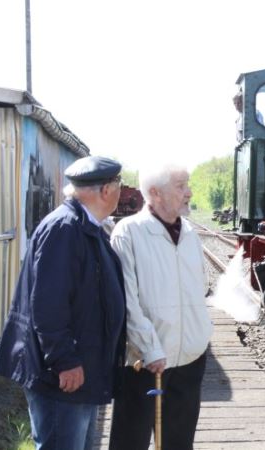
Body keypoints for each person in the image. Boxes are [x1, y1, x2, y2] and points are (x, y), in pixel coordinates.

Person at [0, 156, 127, 450]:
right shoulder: (64, 229)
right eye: (119, 183)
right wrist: (64, 360)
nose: (122, 189)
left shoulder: (86, 226)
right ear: (106, 190)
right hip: (63, 376)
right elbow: (47, 304)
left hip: (83, 370)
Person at [109, 164, 213, 450]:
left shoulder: (190, 233)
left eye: (187, 184)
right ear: (155, 193)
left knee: (179, 443)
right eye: (181, 186)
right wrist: (149, 348)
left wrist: (201, 334)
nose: (189, 192)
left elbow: (199, 288)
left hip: (189, 358)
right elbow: (126, 301)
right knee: (130, 442)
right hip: (144, 362)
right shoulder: (129, 232)